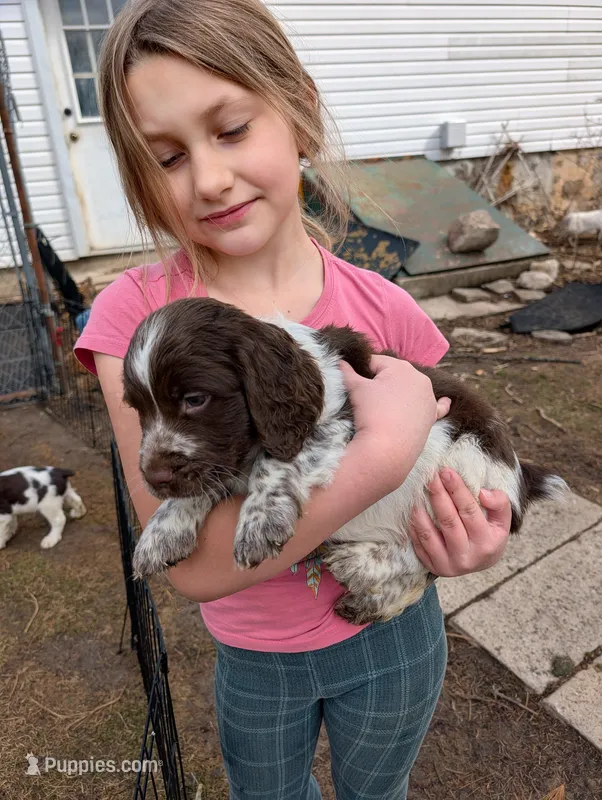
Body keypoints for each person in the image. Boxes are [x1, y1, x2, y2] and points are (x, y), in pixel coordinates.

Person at [74, 1, 512, 797]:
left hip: (396, 637)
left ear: (300, 111)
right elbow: (197, 569)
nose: (209, 177)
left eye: (232, 129)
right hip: (254, 653)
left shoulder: (385, 310)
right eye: (166, 157)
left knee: (378, 792)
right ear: (138, 177)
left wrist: (480, 535)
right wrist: (378, 456)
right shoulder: (129, 320)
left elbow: (449, 461)